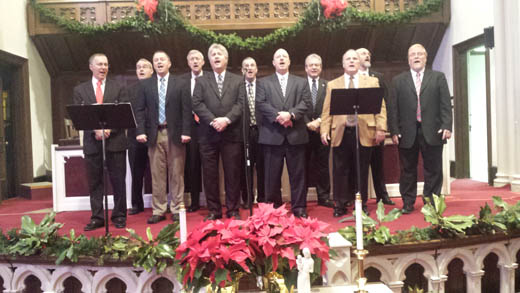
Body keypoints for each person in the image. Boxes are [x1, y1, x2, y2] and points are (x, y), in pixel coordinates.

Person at [320, 49, 387, 217]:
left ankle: (361, 203)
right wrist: (324, 130)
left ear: (359, 63)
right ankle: (340, 204)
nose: (351, 61)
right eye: (347, 59)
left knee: (361, 170)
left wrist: (381, 128)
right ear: (343, 64)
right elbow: (326, 111)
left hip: (363, 131)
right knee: (340, 170)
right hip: (341, 132)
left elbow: (381, 108)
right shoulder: (333, 84)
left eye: (354, 59)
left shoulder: (371, 82)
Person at [388, 43, 452, 214]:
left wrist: (447, 125)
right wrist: (393, 130)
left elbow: (445, 104)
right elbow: (392, 108)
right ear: (408, 59)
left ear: (426, 57)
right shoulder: (398, 81)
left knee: (434, 169)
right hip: (406, 132)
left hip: (433, 131)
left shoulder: (438, 77)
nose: (416, 57)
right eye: (412, 55)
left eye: (419, 54)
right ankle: (408, 202)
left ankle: (431, 202)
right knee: (407, 170)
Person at [73, 53, 128, 231]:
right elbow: (79, 117)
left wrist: (109, 129)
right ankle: (97, 217)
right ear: (91, 67)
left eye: (105, 64)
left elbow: (123, 114)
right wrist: (94, 129)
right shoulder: (80, 90)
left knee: (118, 180)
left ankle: (119, 215)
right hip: (92, 142)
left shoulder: (118, 87)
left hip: (116, 141)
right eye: (99, 64)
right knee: (95, 182)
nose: (103, 67)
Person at [135, 50, 192, 224]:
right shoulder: (146, 85)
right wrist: (140, 131)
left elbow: (186, 109)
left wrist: (186, 131)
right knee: (156, 174)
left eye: (162, 60)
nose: (159, 62)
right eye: (156, 60)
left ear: (169, 63)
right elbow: (140, 110)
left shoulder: (181, 83)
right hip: (154, 134)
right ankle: (158, 209)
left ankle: (176, 207)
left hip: (174, 133)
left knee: (176, 173)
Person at [256, 48, 312, 218]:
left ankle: (299, 208)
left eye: (284, 57)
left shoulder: (301, 82)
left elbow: (306, 102)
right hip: (272, 136)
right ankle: (273, 209)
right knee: (271, 177)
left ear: (289, 61)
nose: (281, 59)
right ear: (273, 63)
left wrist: (291, 114)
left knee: (298, 175)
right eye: (278, 57)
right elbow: (261, 103)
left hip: (295, 135)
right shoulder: (264, 82)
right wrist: (278, 116)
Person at [192, 43, 245, 220]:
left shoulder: (238, 80)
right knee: (209, 174)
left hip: (231, 134)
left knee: (232, 173)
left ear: (226, 58)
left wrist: (226, 119)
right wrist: (213, 120)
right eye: (213, 54)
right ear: (209, 60)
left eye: (219, 54)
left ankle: (233, 210)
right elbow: (197, 104)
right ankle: (214, 210)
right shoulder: (201, 81)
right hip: (208, 134)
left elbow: (241, 104)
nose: (216, 56)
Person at [356, 48, 395, 206]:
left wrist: (384, 127)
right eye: (363, 54)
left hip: (377, 127)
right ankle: (361, 199)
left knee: (379, 165)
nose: (367, 56)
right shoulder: (351, 78)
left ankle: (382, 195)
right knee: (361, 167)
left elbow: (386, 102)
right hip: (359, 129)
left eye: (368, 54)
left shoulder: (378, 77)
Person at [303, 54, 333, 208]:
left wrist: (319, 121)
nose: (314, 67)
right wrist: (308, 123)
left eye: (317, 65)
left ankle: (324, 197)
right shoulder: (299, 85)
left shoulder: (327, 85)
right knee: (303, 166)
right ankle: (302, 197)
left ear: (321, 68)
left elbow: (330, 107)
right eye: (311, 65)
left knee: (323, 165)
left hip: (323, 131)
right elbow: (297, 105)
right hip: (303, 132)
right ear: (306, 68)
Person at [179, 49, 205, 213]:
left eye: (198, 59)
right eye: (192, 59)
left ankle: (213, 199)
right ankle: (194, 201)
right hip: (190, 128)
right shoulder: (181, 81)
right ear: (188, 63)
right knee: (193, 165)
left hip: (208, 125)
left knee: (211, 166)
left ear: (203, 62)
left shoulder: (210, 78)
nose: (195, 61)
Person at [127, 58, 154, 215]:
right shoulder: (130, 90)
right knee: (136, 172)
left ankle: (163, 202)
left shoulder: (157, 87)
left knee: (160, 172)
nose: (141, 70)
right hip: (134, 137)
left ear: (151, 71)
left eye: (145, 67)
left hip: (155, 134)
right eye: (139, 67)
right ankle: (136, 203)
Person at [239, 57, 265, 208]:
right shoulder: (238, 87)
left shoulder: (263, 86)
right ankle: (247, 198)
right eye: (246, 66)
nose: (249, 68)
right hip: (244, 132)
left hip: (262, 131)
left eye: (252, 65)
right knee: (245, 167)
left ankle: (262, 198)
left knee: (262, 167)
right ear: (242, 70)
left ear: (256, 69)